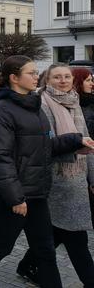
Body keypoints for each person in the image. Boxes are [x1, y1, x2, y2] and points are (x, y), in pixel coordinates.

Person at [0, 55, 94, 288]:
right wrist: (15, 197)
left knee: (46, 251)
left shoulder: (34, 106)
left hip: (37, 192)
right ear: (14, 78)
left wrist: (77, 140)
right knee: (2, 246)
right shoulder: (1, 110)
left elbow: (44, 147)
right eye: (31, 73)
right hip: (9, 195)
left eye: (37, 72)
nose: (37, 76)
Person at [14, 64, 94, 287]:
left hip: (76, 180)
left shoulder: (74, 100)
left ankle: (26, 264)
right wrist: (74, 146)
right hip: (52, 179)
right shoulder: (41, 104)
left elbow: (86, 139)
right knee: (75, 238)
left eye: (67, 76)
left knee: (57, 233)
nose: (63, 80)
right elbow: (40, 146)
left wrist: (93, 178)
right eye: (57, 77)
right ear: (46, 80)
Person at [73, 67, 94, 230]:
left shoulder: (91, 102)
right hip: (81, 161)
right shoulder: (74, 105)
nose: (92, 83)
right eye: (87, 80)